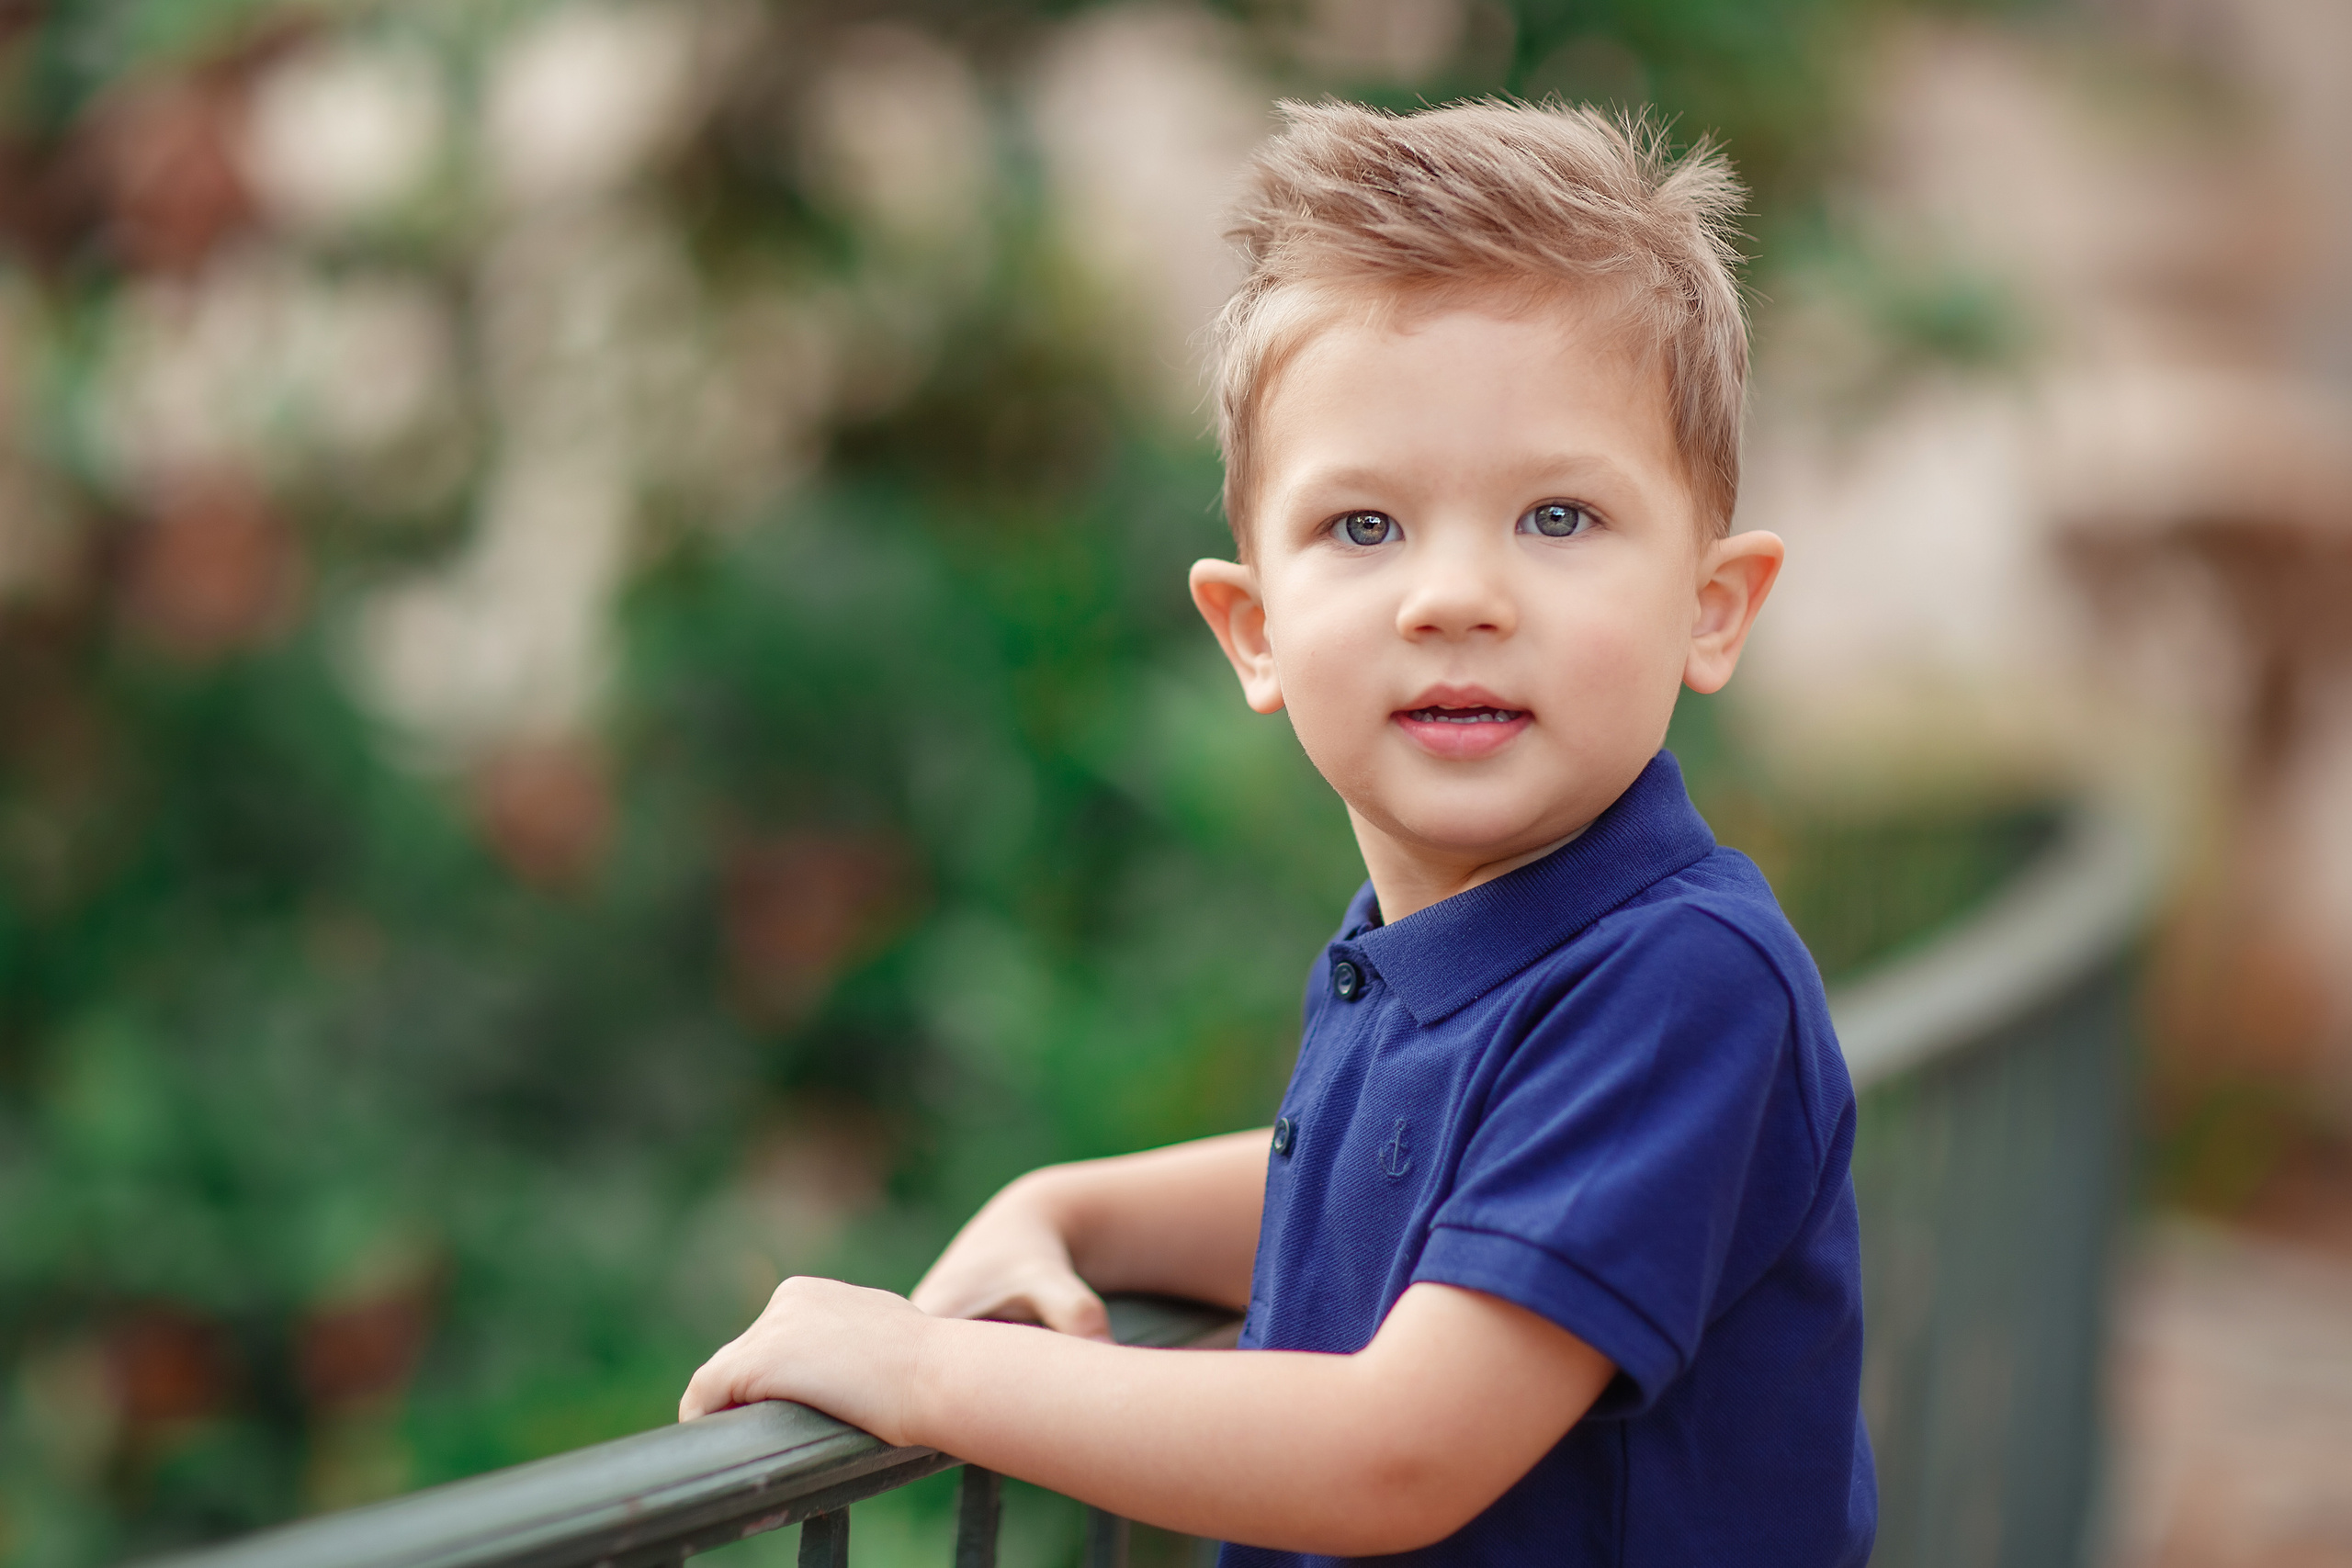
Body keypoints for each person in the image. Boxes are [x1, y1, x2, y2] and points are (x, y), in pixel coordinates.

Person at [681, 98, 1874, 1567]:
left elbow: (1394, 1453)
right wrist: (1065, 1209)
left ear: (1712, 606)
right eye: (1365, 527)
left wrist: (927, 1373)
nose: (1455, 597)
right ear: (1253, 630)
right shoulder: (1435, 949)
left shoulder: (1683, 979)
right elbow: (1395, 1189)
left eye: (1557, 518)